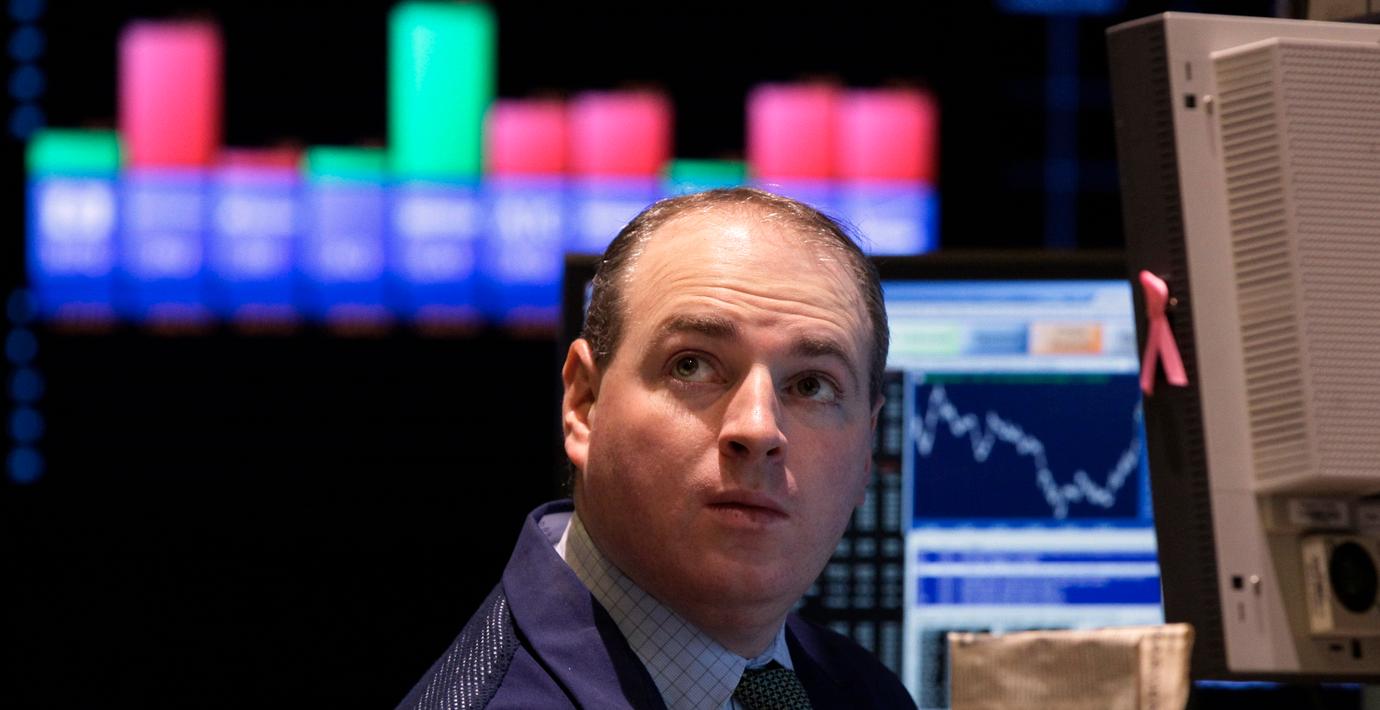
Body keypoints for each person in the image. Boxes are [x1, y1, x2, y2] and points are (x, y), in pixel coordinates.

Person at [399, 187, 915, 709]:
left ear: (867, 449)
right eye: (691, 365)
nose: (758, 429)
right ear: (584, 403)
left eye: (811, 386)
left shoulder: (865, 692)